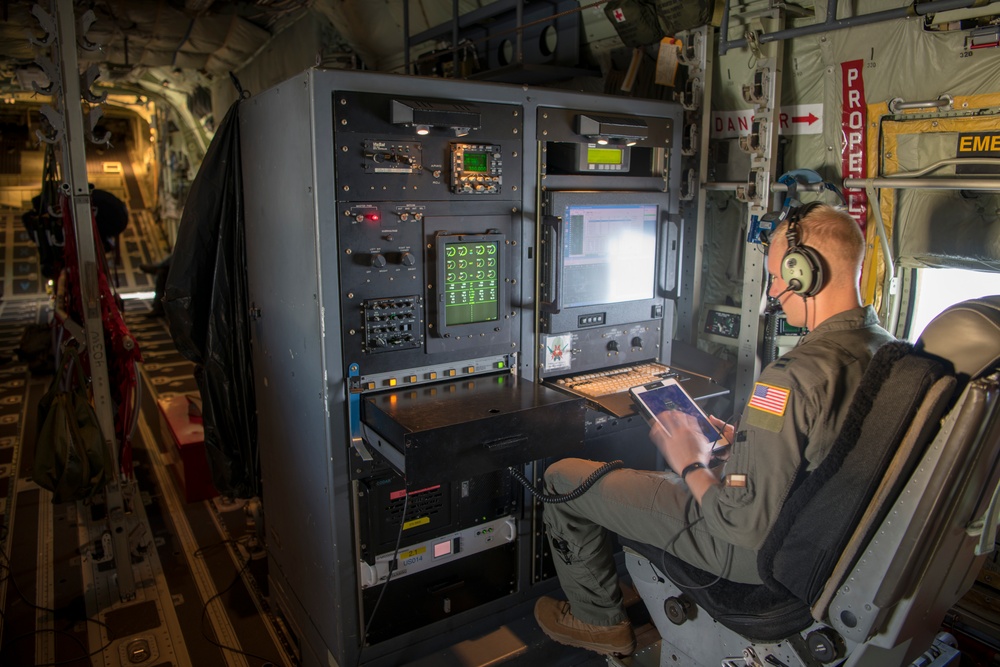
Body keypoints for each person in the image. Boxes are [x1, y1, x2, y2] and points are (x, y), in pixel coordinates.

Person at [533, 204, 895, 657]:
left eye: (778, 277)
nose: (774, 292)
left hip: (754, 550)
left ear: (805, 272)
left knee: (564, 477)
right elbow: (823, 451)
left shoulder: (792, 376)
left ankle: (597, 621)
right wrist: (742, 443)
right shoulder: (888, 352)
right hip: (819, 539)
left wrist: (689, 462)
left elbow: (739, 522)